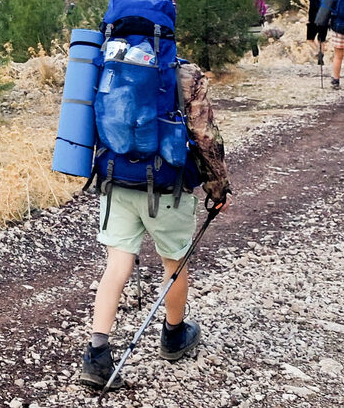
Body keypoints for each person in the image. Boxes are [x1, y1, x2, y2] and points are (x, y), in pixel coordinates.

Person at [79, 60, 231, 390]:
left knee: (116, 263)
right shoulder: (185, 73)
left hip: (115, 179)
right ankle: (174, 335)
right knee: (174, 262)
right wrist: (217, 187)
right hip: (166, 187)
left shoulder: (109, 63)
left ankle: (96, 353)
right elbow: (204, 135)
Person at [306, 0, 328, 65]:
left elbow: (311, 10)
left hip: (314, 21)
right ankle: (321, 57)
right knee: (321, 40)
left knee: (310, 39)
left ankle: (317, 52)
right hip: (325, 22)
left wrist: (309, 20)